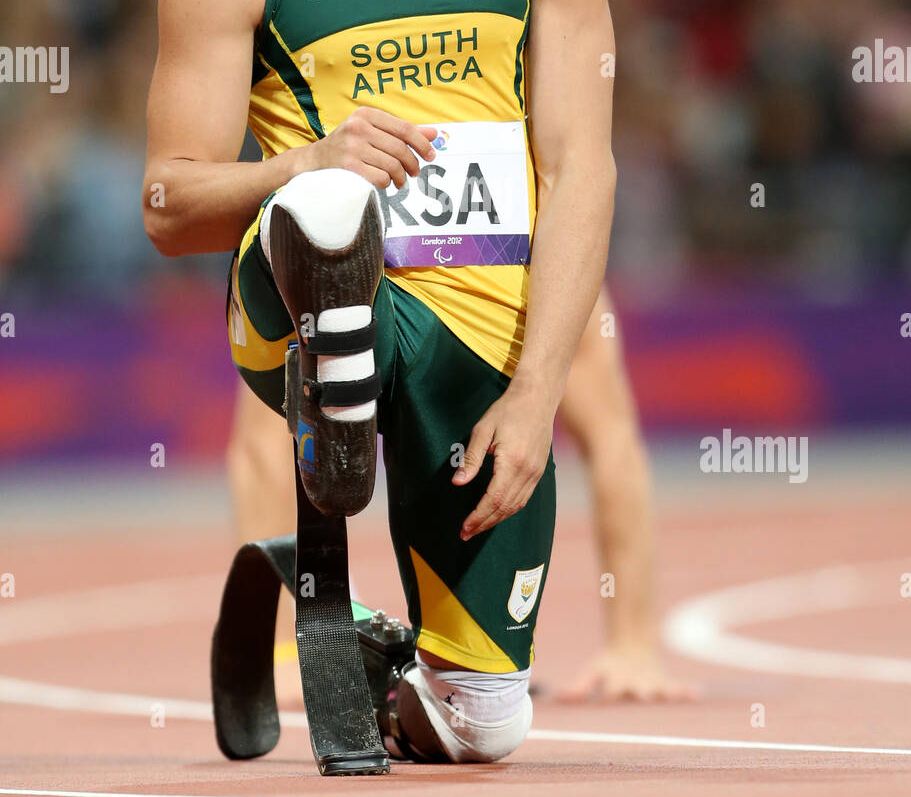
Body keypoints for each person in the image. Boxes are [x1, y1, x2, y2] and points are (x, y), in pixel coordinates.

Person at [144, 0, 616, 763]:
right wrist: (306, 161)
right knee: (331, 207)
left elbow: (581, 168)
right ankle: (337, 421)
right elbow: (166, 205)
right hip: (295, 306)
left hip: (482, 351)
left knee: (487, 727)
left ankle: (367, 638)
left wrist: (537, 392)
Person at [229, 279, 698, 706]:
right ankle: (321, 640)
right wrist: (291, 650)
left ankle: (472, 643)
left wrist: (632, 647)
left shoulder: (545, 258)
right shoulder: (329, 249)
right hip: (379, 259)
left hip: (502, 271)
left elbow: (611, 439)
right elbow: (264, 446)